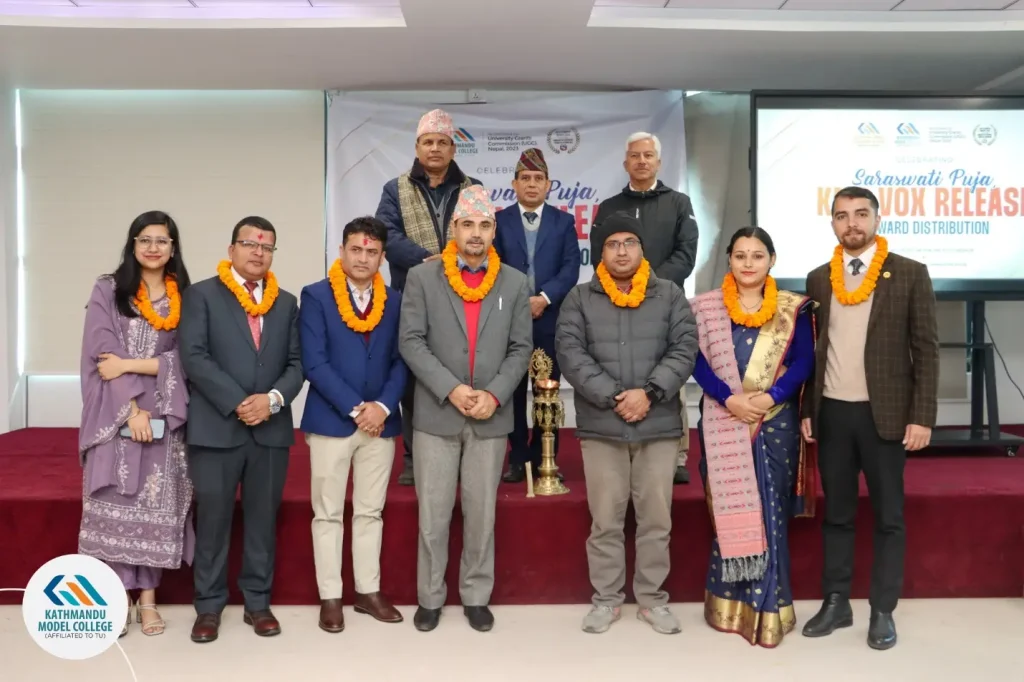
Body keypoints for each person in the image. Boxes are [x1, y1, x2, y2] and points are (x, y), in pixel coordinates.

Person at [800, 186, 939, 651]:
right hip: (833, 414)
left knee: (889, 517)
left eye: (861, 214)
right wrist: (808, 410)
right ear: (833, 223)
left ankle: (882, 610)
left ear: (877, 219)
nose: (852, 223)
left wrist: (921, 416)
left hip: (888, 416)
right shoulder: (819, 279)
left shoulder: (910, 273)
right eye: (842, 216)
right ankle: (836, 602)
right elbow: (810, 354)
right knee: (837, 515)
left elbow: (926, 349)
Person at [556, 211, 698, 635]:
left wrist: (649, 393)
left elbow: (684, 348)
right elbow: (570, 354)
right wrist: (616, 396)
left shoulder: (669, 294)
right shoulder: (579, 298)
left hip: (658, 425)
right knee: (605, 521)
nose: (622, 251)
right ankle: (606, 599)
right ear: (600, 253)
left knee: (656, 520)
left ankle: (653, 600)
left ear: (641, 249)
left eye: (629, 243)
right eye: (613, 244)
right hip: (603, 426)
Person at [399, 185, 532, 633]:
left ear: (494, 231)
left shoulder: (514, 282)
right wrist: (451, 389)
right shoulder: (422, 278)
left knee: (481, 514)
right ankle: (430, 597)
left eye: (484, 225)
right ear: (453, 228)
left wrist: (493, 394)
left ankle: (476, 595)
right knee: (433, 515)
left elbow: (520, 348)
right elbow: (411, 342)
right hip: (437, 413)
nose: (476, 233)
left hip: (490, 416)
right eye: (468, 224)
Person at [178, 216, 304, 643]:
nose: (258, 253)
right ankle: (208, 606)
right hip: (216, 428)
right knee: (213, 520)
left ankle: (257, 602)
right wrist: (239, 402)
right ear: (231, 249)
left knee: (262, 519)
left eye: (267, 247)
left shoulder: (285, 302)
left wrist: (271, 401)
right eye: (250, 244)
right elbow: (194, 357)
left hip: (271, 429)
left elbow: (296, 363)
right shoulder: (201, 295)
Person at [689, 227, 816, 648]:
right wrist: (729, 398)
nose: (748, 263)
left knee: (770, 512)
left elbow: (804, 361)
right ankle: (728, 604)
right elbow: (695, 360)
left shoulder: (793, 309)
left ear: (772, 260)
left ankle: (771, 607)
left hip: (774, 421)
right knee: (730, 509)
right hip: (723, 418)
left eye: (757, 255)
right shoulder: (706, 308)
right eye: (740, 255)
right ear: (729, 259)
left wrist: (770, 397)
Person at [78, 210, 193, 638]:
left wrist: (130, 364)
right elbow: (102, 351)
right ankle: (116, 599)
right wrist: (131, 410)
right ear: (132, 245)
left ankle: (148, 601)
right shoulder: (108, 289)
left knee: (152, 507)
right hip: (114, 413)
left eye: (162, 240)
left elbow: (187, 358)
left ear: (173, 248)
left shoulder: (186, 298)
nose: (153, 248)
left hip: (165, 415)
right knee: (115, 500)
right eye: (144, 239)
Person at [299, 216, 406, 632]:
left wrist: (382, 406)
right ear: (341, 250)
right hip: (332, 421)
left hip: (381, 424)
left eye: (372, 252)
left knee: (370, 511)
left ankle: (368, 591)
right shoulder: (316, 296)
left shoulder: (395, 300)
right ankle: (331, 596)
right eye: (356, 250)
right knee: (327, 513)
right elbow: (314, 362)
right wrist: (357, 408)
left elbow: (402, 360)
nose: (363, 258)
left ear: (382, 257)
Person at [376, 109, 482, 487]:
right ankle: (412, 456)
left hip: (464, 298)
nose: (434, 148)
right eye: (427, 142)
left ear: (453, 148)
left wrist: (453, 260)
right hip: (412, 297)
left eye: (442, 142)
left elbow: (483, 235)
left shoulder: (472, 188)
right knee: (413, 379)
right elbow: (386, 235)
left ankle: (463, 452)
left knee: (459, 373)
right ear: (417, 148)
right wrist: (426, 260)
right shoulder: (395, 188)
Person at [592, 132, 699, 485]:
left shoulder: (679, 203)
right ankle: (624, 447)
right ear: (625, 162)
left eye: (648, 155)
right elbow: (599, 257)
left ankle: (678, 454)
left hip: (666, 304)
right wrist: (626, 286)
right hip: (615, 304)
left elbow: (686, 255)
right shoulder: (609, 207)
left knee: (669, 377)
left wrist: (650, 286)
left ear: (659, 162)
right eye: (635, 156)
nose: (641, 161)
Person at [493, 147, 581, 483]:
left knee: (547, 390)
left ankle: (547, 455)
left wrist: (544, 298)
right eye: (525, 178)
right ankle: (517, 457)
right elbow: (494, 268)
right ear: (514, 184)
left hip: (549, 320)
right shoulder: (499, 221)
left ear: (548, 185)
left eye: (538, 178)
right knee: (512, 391)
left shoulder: (563, 222)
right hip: (508, 321)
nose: (532, 184)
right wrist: (520, 302)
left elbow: (570, 268)